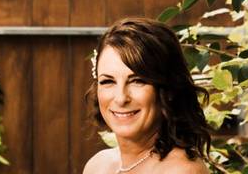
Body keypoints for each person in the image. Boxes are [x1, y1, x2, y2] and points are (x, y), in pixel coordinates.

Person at [83, 18, 211, 174]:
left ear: (168, 89)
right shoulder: (98, 166)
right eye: (108, 81)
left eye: (137, 81)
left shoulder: (182, 170)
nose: (121, 98)